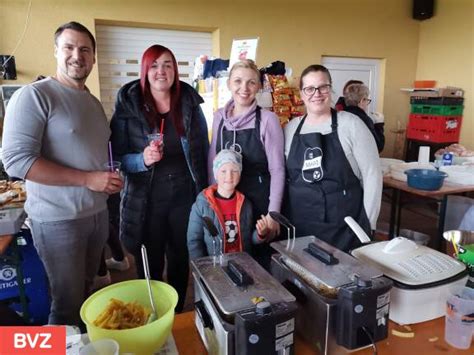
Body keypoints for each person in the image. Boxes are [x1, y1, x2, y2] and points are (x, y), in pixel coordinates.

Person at [1, 21, 123, 326]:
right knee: (66, 304)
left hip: (96, 214)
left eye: (84, 49)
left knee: (87, 294)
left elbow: (93, 155)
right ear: (56, 51)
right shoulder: (34, 96)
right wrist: (88, 179)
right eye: (69, 47)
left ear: (93, 58)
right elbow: (16, 161)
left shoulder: (93, 103)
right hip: (58, 220)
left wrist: (107, 179)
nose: (77, 55)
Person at [110, 44, 208, 312]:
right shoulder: (129, 106)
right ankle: (152, 313)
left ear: (175, 70)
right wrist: (142, 159)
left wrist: (207, 192)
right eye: (154, 65)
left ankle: (175, 313)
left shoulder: (189, 103)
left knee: (179, 258)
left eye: (167, 64)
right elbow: (117, 156)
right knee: (149, 261)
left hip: (183, 197)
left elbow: (203, 152)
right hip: (146, 199)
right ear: (145, 70)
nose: (161, 71)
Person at [284, 65, 382, 252]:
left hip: (344, 229)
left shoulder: (351, 125)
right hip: (300, 226)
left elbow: (372, 176)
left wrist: (368, 224)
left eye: (323, 87)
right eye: (310, 89)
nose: (317, 94)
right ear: (302, 94)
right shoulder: (290, 130)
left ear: (331, 89)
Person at [207, 59, 285, 267]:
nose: (244, 88)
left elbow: (277, 169)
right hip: (227, 202)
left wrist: (273, 214)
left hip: (259, 203)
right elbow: (212, 161)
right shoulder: (219, 118)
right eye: (238, 81)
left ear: (259, 86)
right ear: (229, 84)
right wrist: (211, 199)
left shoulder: (268, 120)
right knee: (229, 260)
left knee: (259, 264)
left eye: (251, 82)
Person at [187, 149, 269, 259]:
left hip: (243, 263)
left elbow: (249, 240)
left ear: (239, 174)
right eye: (223, 171)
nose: (229, 176)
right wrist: (202, 268)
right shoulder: (201, 205)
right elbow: (194, 242)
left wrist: (260, 234)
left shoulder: (246, 204)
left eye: (234, 171)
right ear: (216, 174)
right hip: (215, 268)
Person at [344, 83, 385, 152]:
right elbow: (377, 147)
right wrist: (379, 124)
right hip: (360, 161)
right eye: (367, 100)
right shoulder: (364, 119)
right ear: (362, 100)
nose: (367, 104)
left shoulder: (340, 115)